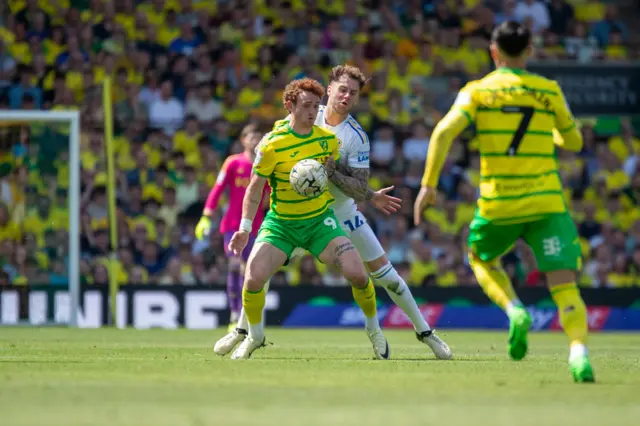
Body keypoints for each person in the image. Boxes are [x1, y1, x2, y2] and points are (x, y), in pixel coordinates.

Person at [215, 65, 452, 360]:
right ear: (329, 89)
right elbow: (278, 138)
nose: (347, 96)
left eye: (353, 93)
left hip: (340, 213)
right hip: (300, 213)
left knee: (384, 275)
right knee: (259, 270)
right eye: (342, 89)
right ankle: (245, 332)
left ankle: (425, 333)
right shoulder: (307, 110)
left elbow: (359, 185)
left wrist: (338, 177)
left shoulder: (354, 136)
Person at [414, 21, 594, 382]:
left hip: (499, 204)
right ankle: (578, 352)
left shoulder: (478, 92)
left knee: (480, 258)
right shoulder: (548, 90)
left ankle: (514, 310)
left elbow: (444, 131)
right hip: (546, 204)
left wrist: (428, 186)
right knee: (564, 284)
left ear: (493, 52)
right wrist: (555, 133)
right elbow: (574, 143)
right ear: (530, 51)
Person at [226, 78, 389, 360]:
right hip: (281, 225)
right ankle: (255, 335)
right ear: (290, 105)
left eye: (316, 106)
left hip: (319, 222)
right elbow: (254, 190)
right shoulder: (272, 144)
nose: (314, 112)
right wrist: (244, 228)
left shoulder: (327, 141)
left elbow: (340, 179)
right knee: (252, 278)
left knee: (358, 273)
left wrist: (367, 194)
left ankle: (374, 330)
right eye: (306, 106)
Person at [195, 124, 268, 331]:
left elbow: (272, 195)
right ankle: (235, 313)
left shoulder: (266, 165)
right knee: (235, 266)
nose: (255, 141)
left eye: (258, 137)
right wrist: (206, 216)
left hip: (257, 227)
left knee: (252, 271)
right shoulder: (233, 162)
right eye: (252, 137)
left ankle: (248, 314)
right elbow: (217, 189)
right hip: (233, 225)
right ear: (243, 140)